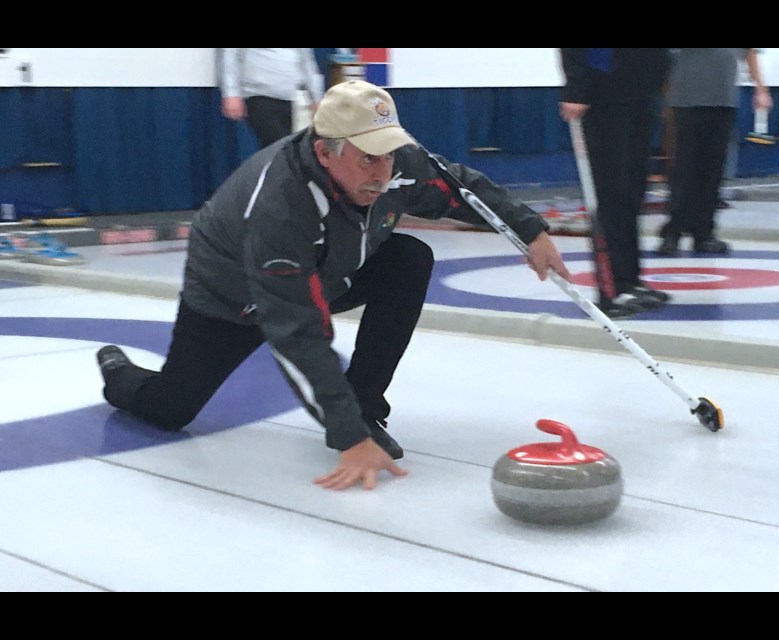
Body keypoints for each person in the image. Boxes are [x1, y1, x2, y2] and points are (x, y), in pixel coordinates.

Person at [95, 80, 571, 492]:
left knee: (407, 259)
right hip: (234, 297)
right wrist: (348, 439)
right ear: (325, 152)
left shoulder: (392, 164)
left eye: (387, 154)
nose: (382, 172)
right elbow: (295, 329)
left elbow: (458, 188)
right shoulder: (280, 204)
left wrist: (528, 230)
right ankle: (117, 370)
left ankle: (365, 406)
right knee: (171, 408)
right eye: (368, 159)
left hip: (326, 272)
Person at [558, 48, 672, 318]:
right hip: (604, 93)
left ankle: (630, 279)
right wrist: (576, 88)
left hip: (642, 90)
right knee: (610, 192)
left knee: (633, 192)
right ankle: (610, 288)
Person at [657, 48, 772, 256]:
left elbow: (750, 52)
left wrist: (761, 88)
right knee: (683, 169)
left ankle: (704, 232)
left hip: (723, 99)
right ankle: (673, 231)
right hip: (687, 99)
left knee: (712, 170)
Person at [218, 48, 326, 148]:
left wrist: (317, 98)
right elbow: (230, 55)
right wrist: (230, 93)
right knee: (280, 148)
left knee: (282, 150)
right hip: (259, 95)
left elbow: (307, 61)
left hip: (291, 98)